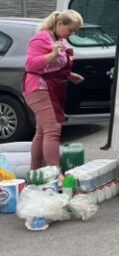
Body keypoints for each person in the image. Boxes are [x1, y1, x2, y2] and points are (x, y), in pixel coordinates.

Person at [23, 10, 85, 170]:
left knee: (43, 131)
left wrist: (70, 75)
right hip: (37, 87)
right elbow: (30, 65)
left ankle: (36, 172)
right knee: (53, 129)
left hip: (47, 88)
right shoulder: (42, 38)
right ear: (59, 24)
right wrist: (52, 54)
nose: (72, 33)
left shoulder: (57, 38)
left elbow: (54, 67)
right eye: (70, 29)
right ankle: (55, 174)